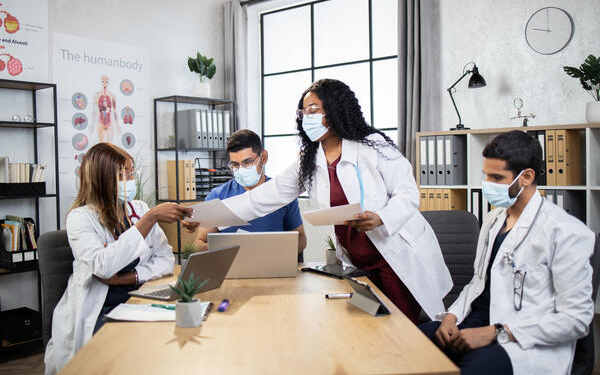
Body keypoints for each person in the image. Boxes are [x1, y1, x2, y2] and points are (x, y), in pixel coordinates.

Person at [221, 79, 452, 323]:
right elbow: (263, 197)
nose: (305, 117)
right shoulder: (310, 160)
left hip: (396, 256)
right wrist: (203, 215)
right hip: (358, 263)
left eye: (312, 111)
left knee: (402, 331)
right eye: (303, 112)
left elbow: (407, 192)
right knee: (368, 329)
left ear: (334, 110)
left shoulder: (372, 146)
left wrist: (381, 217)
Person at [418, 131, 595, 375]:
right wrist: (450, 317)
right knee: (407, 345)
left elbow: (576, 320)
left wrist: (497, 332)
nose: (488, 184)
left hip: (522, 342)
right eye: (486, 176)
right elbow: (477, 282)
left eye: (497, 177)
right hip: (473, 324)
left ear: (527, 177)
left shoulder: (566, 232)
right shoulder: (493, 219)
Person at [44, 143, 193, 375]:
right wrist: (149, 219)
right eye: (123, 174)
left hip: (139, 299)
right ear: (101, 177)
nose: (130, 179)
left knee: (175, 340)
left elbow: (165, 258)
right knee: (132, 354)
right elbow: (103, 266)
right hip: (101, 310)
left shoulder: (138, 208)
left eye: (131, 172)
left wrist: (129, 278)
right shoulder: (80, 218)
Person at [187, 129, 307, 254]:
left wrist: (271, 250)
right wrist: (224, 250)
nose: (241, 169)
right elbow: (199, 243)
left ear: (264, 157)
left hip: (271, 266)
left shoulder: (281, 193)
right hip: (230, 267)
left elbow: (301, 239)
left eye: (247, 162)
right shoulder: (218, 196)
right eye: (235, 165)